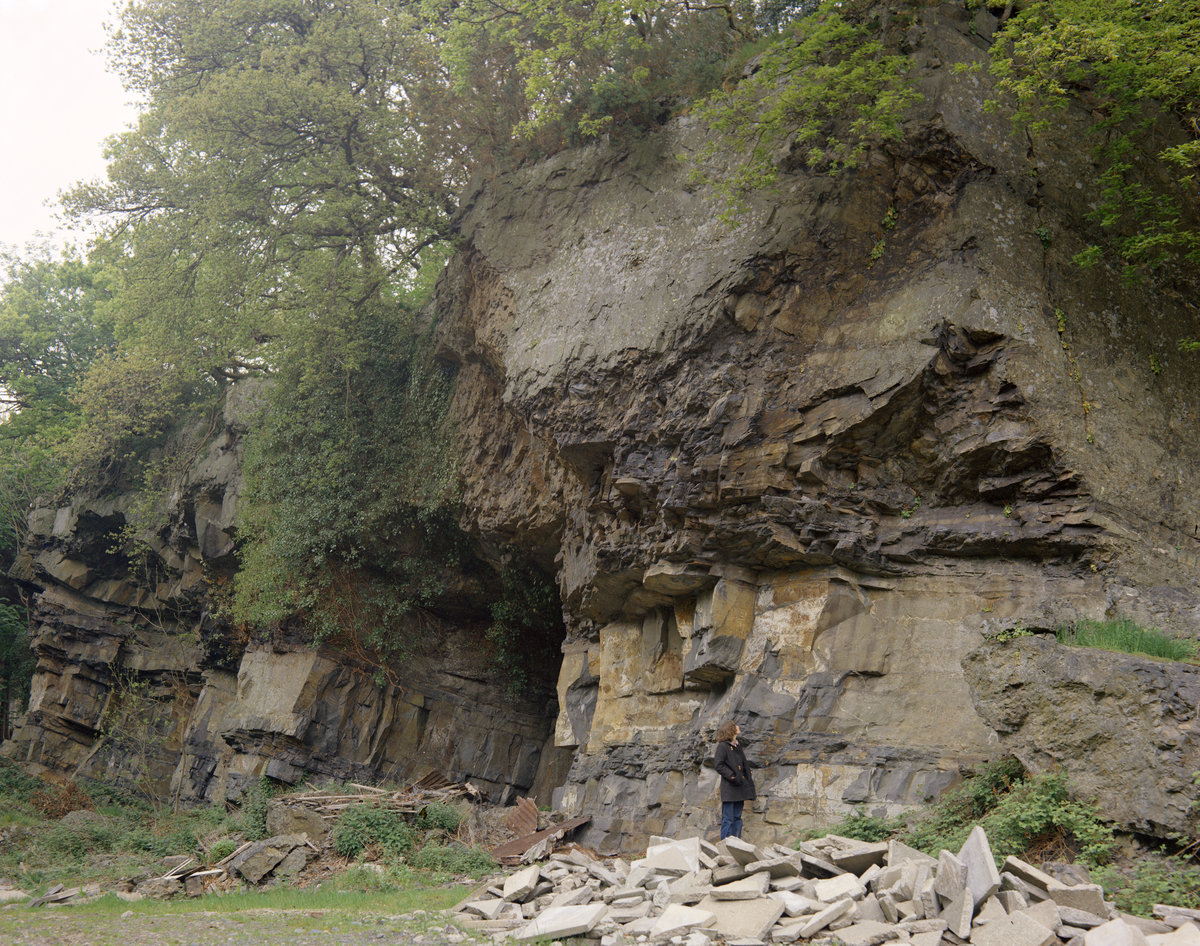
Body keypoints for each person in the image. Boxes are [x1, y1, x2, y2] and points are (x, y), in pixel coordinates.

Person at [713, 720, 756, 840]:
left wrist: (746, 772)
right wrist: (732, 776)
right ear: (731, 729)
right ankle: (726, 845)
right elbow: (719, 765)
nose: (738, 726)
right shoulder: (723, 746)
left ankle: (736, 844)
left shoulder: (737, 745)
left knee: (737, 817)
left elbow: (740, 763)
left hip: (739, 787)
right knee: (728, 818)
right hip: (730, 788)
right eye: (735, 725)